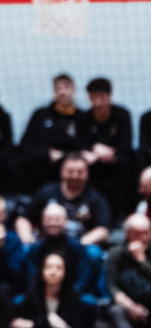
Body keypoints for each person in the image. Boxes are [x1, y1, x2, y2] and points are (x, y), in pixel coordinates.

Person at [16, 152, 111, 250]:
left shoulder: (96, 198)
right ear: (62, 171)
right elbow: (23, 219)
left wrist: (78, 245)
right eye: (70, 171)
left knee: (94, 252)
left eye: (80, 172)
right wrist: (27, 239)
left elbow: (103, 229)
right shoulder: (47, 191)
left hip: (80, 246)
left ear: (87, 173)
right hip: (46, 244)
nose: (75, 176)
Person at [19, 74, 87, 190]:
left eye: (66, 87)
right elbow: (26, 144)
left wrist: (64, 155)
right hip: (43, 161)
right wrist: (47, 153)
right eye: (58, 88)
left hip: (70, 159)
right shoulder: (40, 114)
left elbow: (85, 145)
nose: (62, 92)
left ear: (73, 89)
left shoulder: (82, 117)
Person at [80, 77, 134, 222]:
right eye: (93, 98)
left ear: (109, 96)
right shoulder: (84, 117)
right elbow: (81, 144)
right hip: (94, 160)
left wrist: (105, 152)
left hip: (117, 158)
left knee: (127, 162)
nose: (98, 102)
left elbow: (125, 144)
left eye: (102, 97)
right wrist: (94, 148)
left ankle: (124, 213)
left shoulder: (122, 114)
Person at [105, 214, 151, 328]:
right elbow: (112, 286)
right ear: (128, 234)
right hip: (127, 305)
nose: (143, 238)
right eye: (137, 233)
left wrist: (142, 261)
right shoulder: (115, 254)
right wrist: (131, 306)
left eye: (146, 233)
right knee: (115, 311)